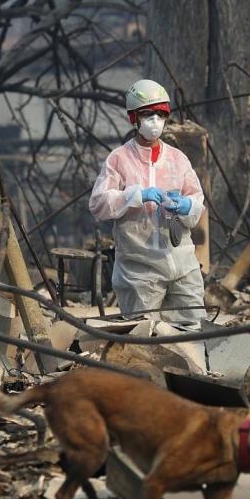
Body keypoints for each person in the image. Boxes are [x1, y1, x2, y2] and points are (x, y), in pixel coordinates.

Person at [88, 78, 206, 324]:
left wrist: (186, 206)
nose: (156, 121)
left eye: (161, 114)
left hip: (182, 267)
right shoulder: (118, 159)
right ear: (134, 118)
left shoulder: (177, 159)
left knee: (194, 333)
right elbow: (98, 204)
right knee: (144, 342)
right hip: (139, 271)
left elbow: (196, 200)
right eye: (148, 114)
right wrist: (134, 196)